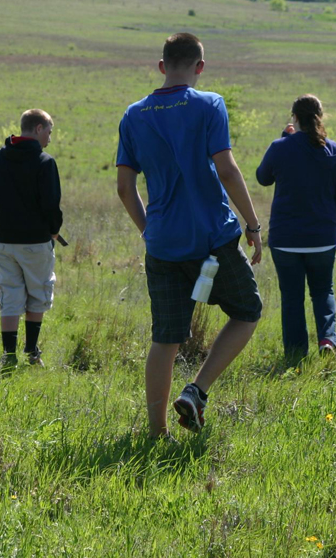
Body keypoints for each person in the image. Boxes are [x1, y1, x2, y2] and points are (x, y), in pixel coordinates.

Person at [116, 32, 264, 438]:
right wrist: (252, 225)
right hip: (212, 238)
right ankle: (196, 391)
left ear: (162, 66)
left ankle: (155, 431)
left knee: (165, 338)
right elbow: (228, 170)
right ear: (200, 67)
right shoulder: (210, 104)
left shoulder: (133, 115)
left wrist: (150, 231)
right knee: (247, 310)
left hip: (163, 243)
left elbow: (125, 189)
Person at [256, 94, 336, 360]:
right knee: (323, 291)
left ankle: (296, 354)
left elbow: (263, 178)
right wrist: (334, 225)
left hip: (285, 239)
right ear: (320, 117)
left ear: (294, 118)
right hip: (322, 237)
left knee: (292, 298)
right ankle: (328, 340)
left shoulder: (280, 146)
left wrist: (284, 140)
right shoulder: (334, 150)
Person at [0, 108, 63, 372]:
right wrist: (54, 230)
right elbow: (51, 205)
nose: (50, 137)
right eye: (49, 131)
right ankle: (32, 352)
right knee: (38, 293)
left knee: (10, 295)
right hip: (36, 243)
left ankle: (8, 355)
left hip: (3, 242)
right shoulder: (45, 162)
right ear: (37, 129)